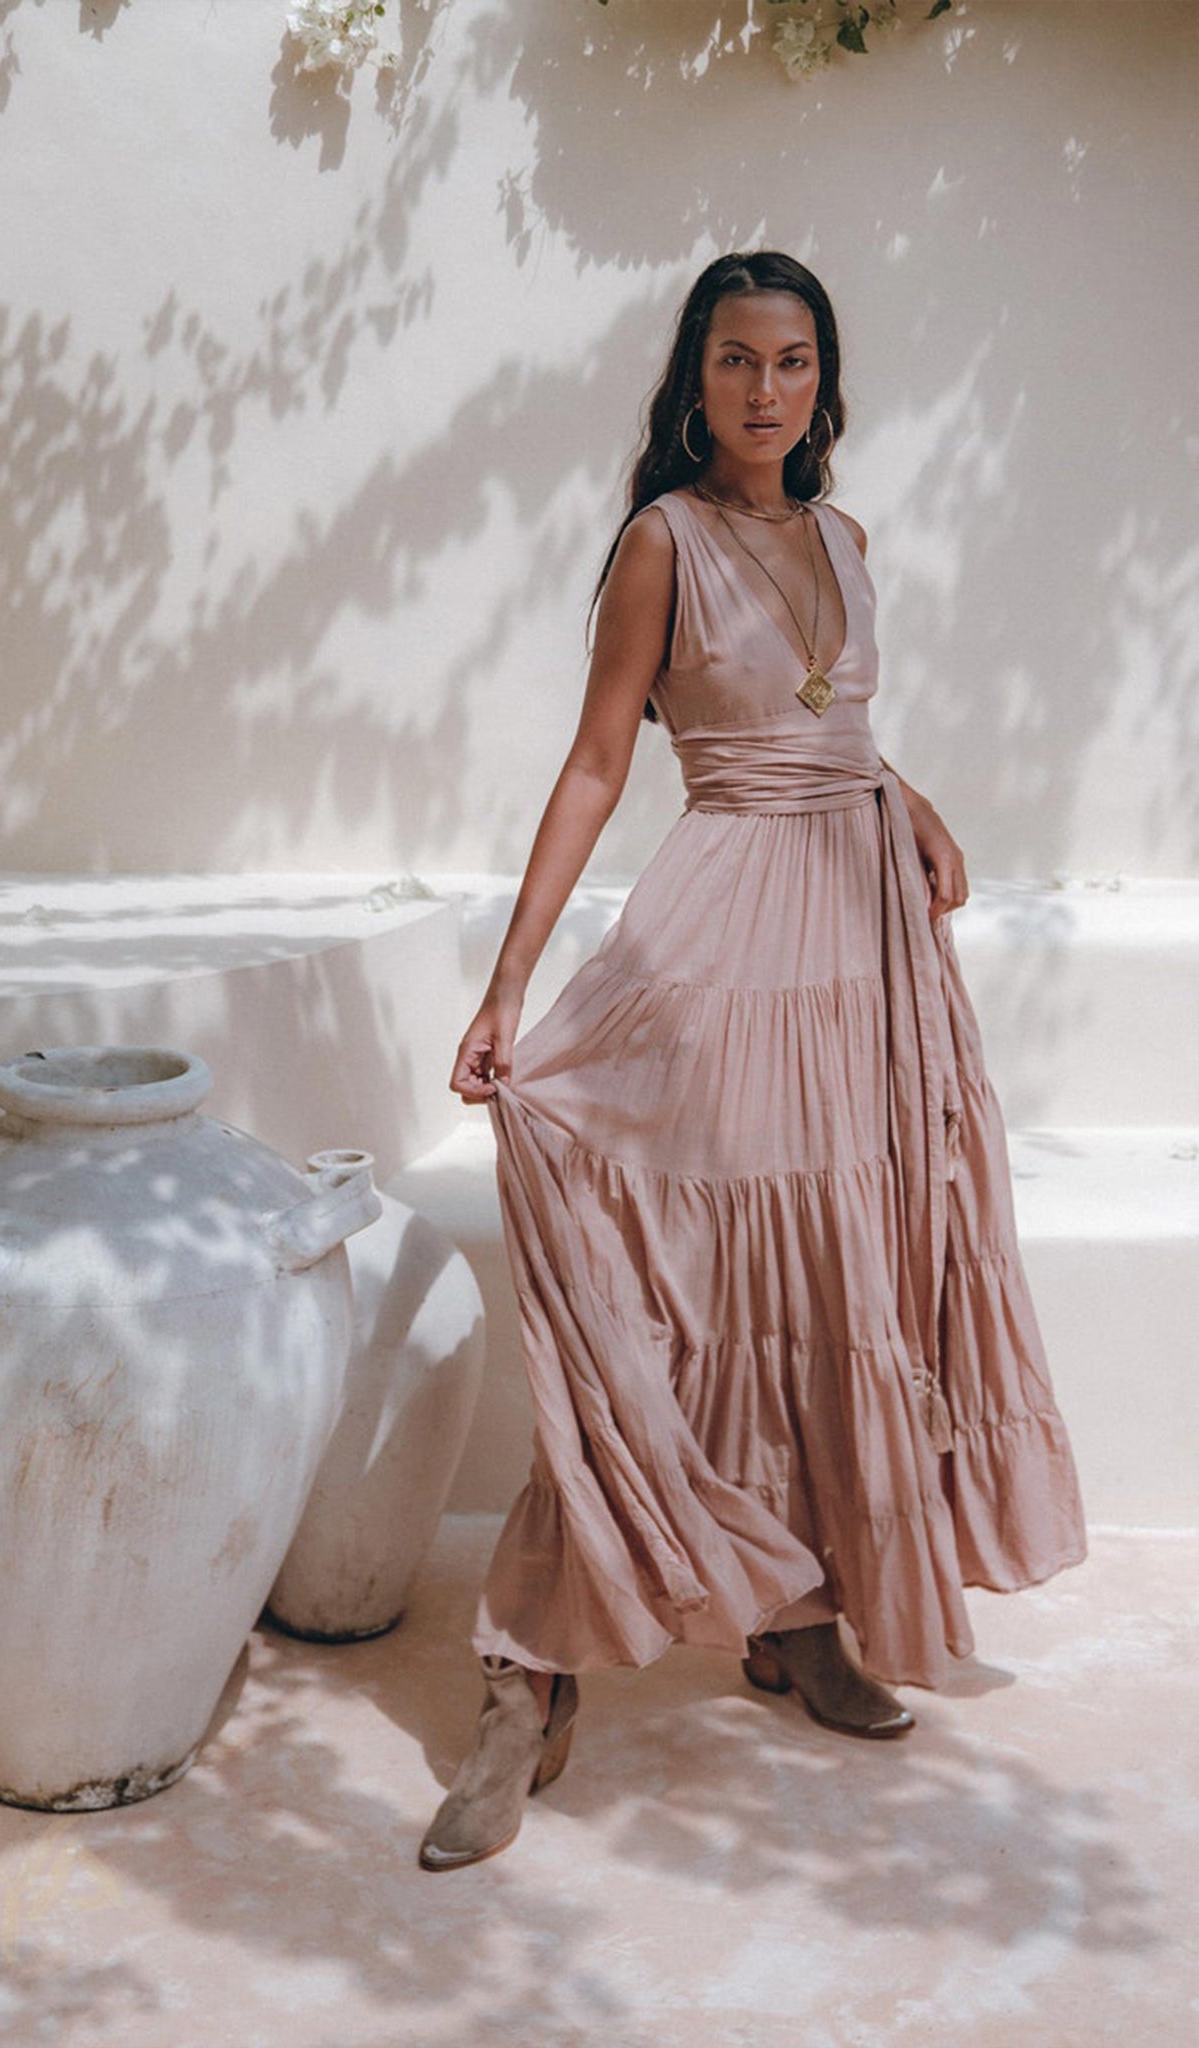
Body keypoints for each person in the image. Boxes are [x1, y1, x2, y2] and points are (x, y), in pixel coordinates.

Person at [418, 251, 1087, 1874]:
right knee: (680, 1298)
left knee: (832, 1281)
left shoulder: (845, 539)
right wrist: (509, 984)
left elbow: (829, 717)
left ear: (821, 382)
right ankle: (529, 1673)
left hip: (858, 957)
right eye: (733, 361)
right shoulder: (661, 543)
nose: (763, 389)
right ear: (692, 381)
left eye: (791, 361)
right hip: (723, 936)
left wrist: (906, 798)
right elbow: (596, 766)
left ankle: (791, 1620)